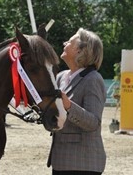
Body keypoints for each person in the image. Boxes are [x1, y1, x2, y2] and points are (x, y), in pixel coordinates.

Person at [47, 28, 106, 175]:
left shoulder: (93, 79)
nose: (64, 43)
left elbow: (93, 122)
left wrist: (68, 105)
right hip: (60, 161)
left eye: (69, 42)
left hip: (83, 164)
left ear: (80, 51)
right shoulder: (61, 77)